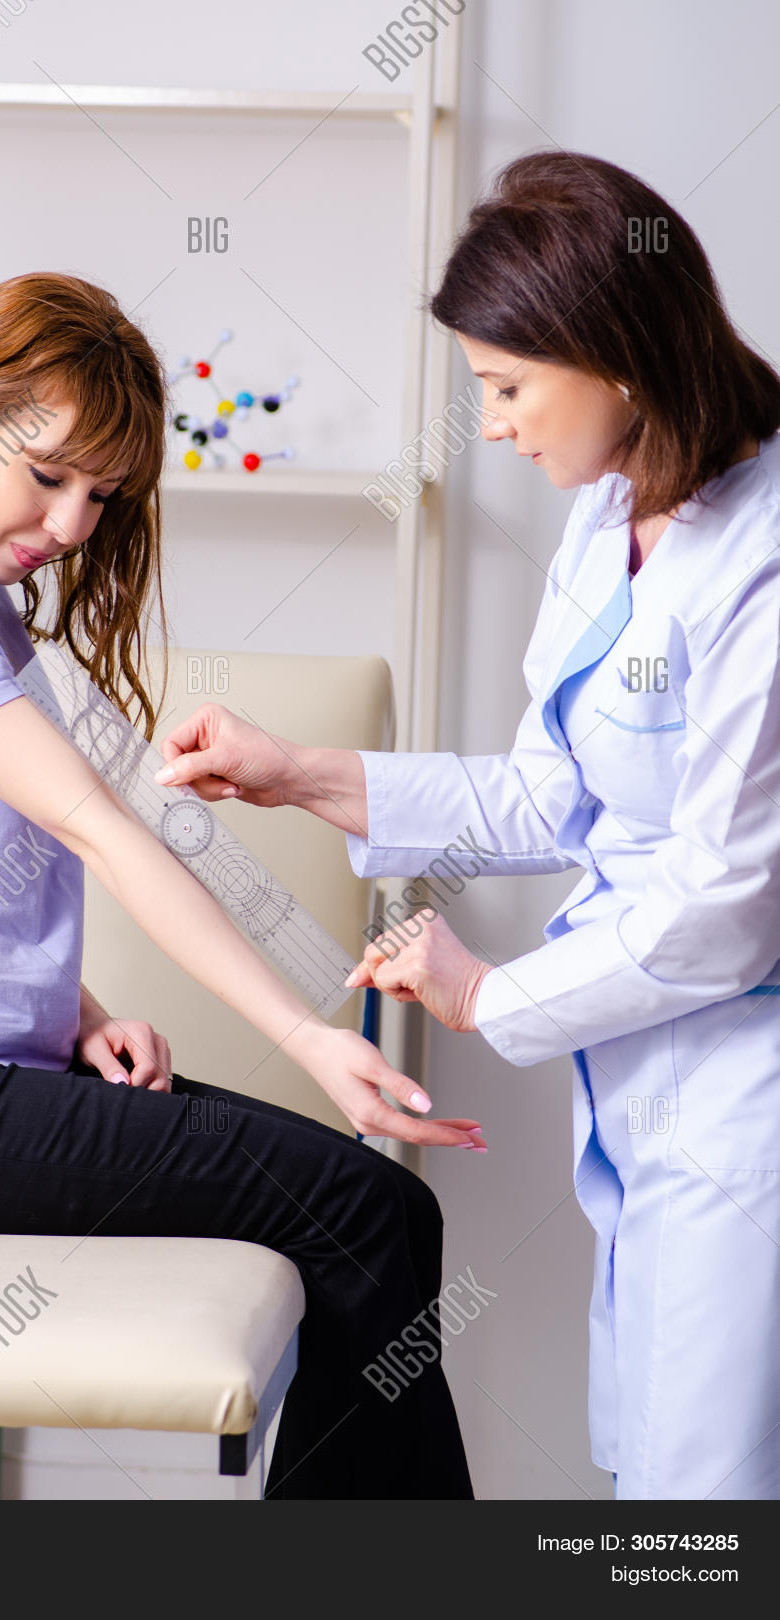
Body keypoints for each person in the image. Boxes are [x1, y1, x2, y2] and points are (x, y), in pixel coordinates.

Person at [0, 271, 487, 1501]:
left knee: (379, 1213)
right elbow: (99, 830)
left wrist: (79, 1014)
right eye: (48, 476)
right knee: (365, 1212)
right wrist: (311, 1041)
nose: (71, 524)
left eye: (100, 495)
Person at [154, 152, 780, 1501]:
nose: (490, 426)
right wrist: (296, 772)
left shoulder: (764, 557)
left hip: (745, 1080)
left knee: (707, 1494)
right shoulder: (614, 510)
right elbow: (547, 791)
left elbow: (728, 904)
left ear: (614, 356)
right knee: (660, 1471)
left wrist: (487, 994)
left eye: (505, 387)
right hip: (649, 1072)